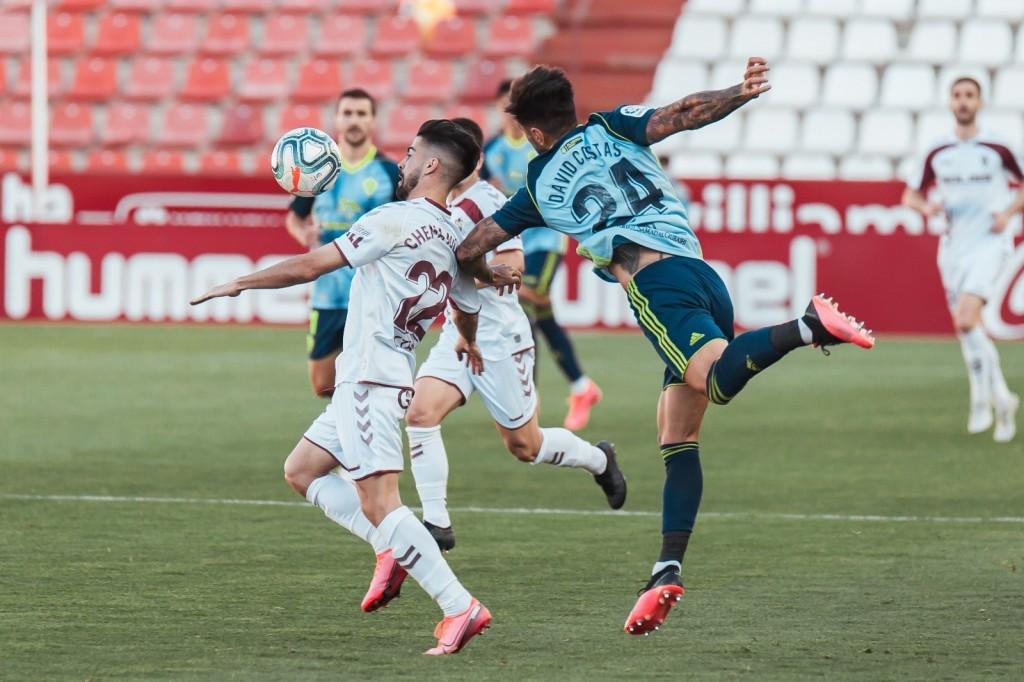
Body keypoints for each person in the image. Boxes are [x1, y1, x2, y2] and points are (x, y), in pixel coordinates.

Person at [454, 61, 875, 636]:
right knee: (678, 436)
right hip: (701, 274)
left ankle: (807, 325)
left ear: (531, 133)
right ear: (570, 108)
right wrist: (738, 92)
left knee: (718, 382)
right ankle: (666, 569)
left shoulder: (536, 184)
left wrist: (483, 271)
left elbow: (473, 243)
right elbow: (681, 114)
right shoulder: (612, 125)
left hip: (654, 284)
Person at [192, 120, 501, 656]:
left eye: (409, 155)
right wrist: (469, 344)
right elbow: (468, 307)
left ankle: (459, 606)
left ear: (431, 165)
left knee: (382, 503)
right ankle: (391, 549)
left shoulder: (394, 218)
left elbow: (315, 263)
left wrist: (242, 281)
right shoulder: (459, 237)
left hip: (369, 381)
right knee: (302, 470)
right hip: (376, 377)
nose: (401, 164)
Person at [405, 118, 627, 552]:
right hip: (459, 331)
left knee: (526, 446)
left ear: (478, 158)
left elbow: (515, 272)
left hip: (500, 339)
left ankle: (599, 459)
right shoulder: (434, 203)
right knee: (420, 414)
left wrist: (465, 270)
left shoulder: (488, 201)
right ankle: (436, 523)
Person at [902, 76, 1020, 442]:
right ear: (950, 102)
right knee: (967, 330)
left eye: (970, 95)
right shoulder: (938, 150)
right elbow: (910, 195)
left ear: (980, 102)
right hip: (953, 247)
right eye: (957, 96)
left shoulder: (998, 146)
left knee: (966, 319)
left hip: (990, 242)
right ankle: (1002, 400)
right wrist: (927, 205)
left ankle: (980, 399)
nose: (963, 101)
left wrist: (1009, 212)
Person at [483, 79, 603, 430]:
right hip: (513, 240)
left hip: (547, 239)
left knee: (528, 300)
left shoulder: (541, 143)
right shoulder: (491, 150)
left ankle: (527, 398)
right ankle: (581, 387)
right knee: (538, 311)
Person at [284, 88, 399, 397]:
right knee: (322, 385)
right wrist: (303, 235)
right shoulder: (318, 168)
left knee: (369, 379)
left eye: (362, 114)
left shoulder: (389, 172)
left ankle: (362, 434)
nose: (354, 120)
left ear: (373, 121)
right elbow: (294, 218)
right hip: (327, 293)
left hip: (372, 294)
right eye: (347, 113)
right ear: (336, 119)